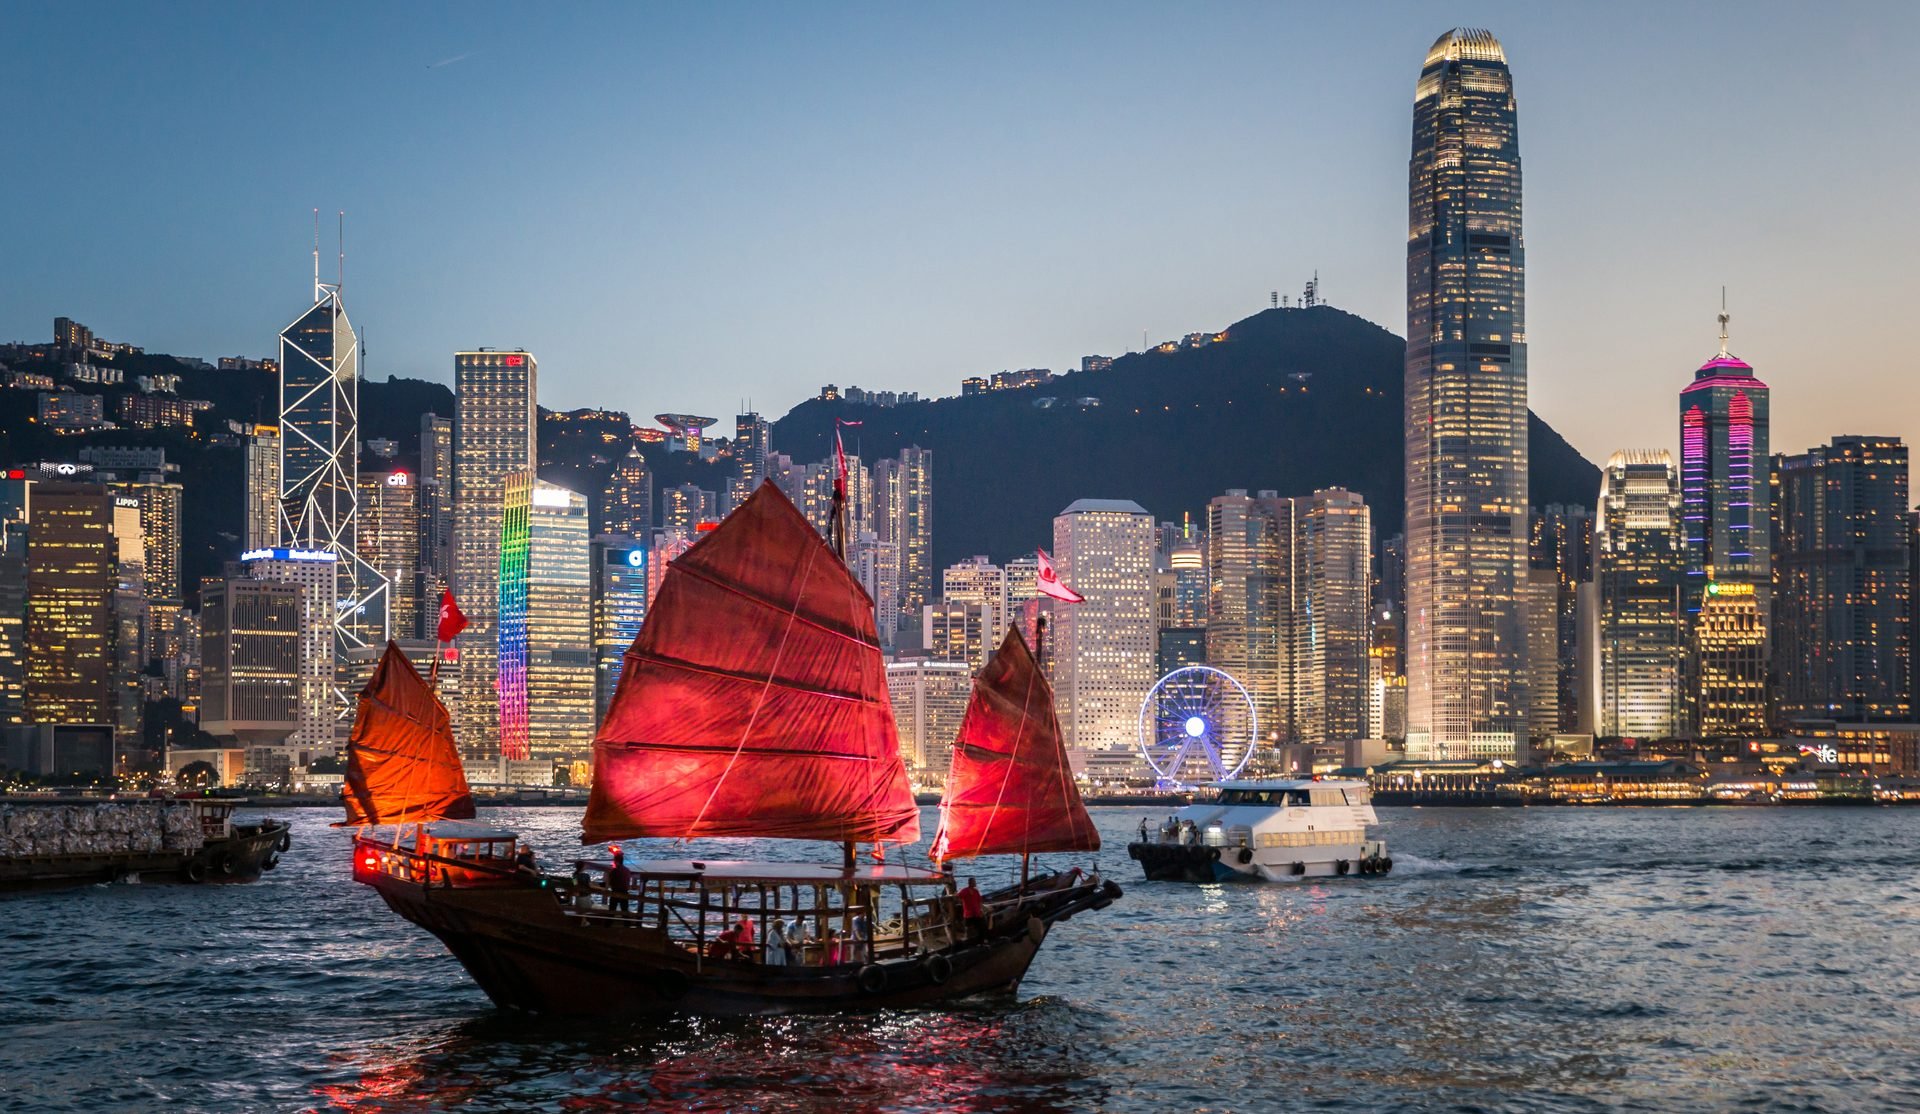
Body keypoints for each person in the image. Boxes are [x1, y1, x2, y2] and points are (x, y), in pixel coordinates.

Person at [957, 876, 987, 945]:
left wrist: (981, 910)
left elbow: (979, 901)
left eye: (975, 882)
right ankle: (968, 942)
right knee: (968, 929)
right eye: (974, 882)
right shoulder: (964, 891)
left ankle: (981, 941)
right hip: (968, 914)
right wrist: (960, 901)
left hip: (976, 913)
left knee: (982, 926)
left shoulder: (976, 891)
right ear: (970, 883)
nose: (975, 883)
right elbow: (958, 896)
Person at [605, 847, 633, 915]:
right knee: (624, 910)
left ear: (616, 861)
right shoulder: (627, 870)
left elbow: (611, 881)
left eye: (614, 860)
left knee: (612, 910)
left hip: (616, 891)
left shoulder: (614, 871)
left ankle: (609, 921)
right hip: (625, 891)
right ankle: (626, 921)